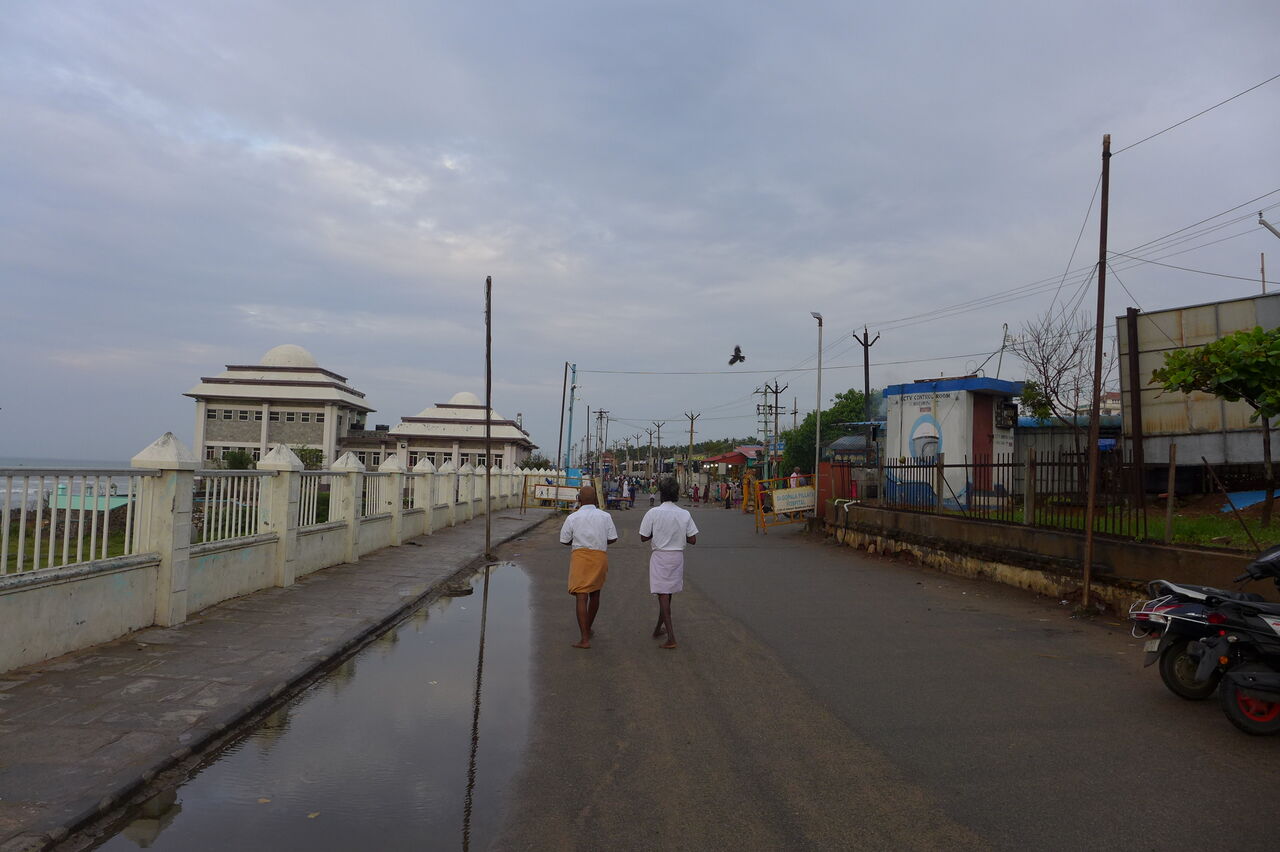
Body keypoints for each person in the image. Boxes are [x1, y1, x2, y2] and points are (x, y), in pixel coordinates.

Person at [639, 478, 698, 650]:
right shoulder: (684, 514)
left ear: (661, 493)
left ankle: (671, 637)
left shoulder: (653, 513)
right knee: (667, 593)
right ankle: (658, 629)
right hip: (677, 557)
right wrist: (677, 533)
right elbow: (693, 539)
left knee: (663, 594)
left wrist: (660, 532)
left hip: (661, 556)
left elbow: (643, 537)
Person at [559, 485, 618, 649]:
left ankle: (584, 638)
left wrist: (579, 542)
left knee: (581, 596)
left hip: (580, 557)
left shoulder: (573, 517)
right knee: (595, 593)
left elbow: (564, 540)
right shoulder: (605, 516)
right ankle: (588, 628)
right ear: (596, 499)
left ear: (579, 499)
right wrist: (599, 541)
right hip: (599, 556)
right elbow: (613, 538)